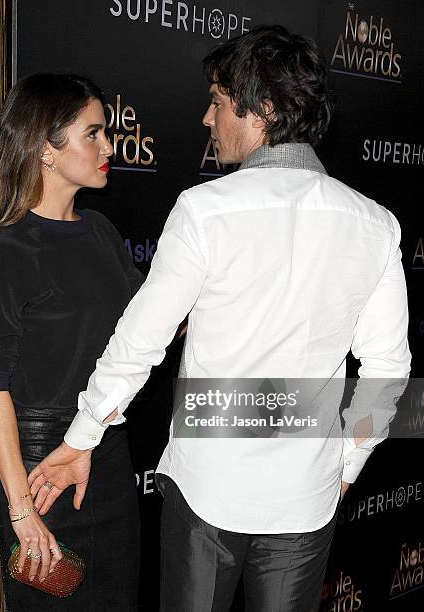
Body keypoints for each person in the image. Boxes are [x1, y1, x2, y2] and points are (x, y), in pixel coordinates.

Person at [29, 26, 411, 612]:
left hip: (208, 486)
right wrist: (348, 465)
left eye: (217, 101)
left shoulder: (205, 211)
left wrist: (82, 436)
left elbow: (140, 341)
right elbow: (388, 365)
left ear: (261, 112)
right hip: (306, 495)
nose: (208, 120)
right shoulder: (374, 222)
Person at [0, 73, 143, 611]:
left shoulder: (103, 233)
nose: (109, 147)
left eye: (106, 133)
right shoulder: (9, 250)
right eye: (93, 134)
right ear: (46, 147)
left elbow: (147, 329)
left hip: (107, 454)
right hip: (40, 470)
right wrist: (20, 507)